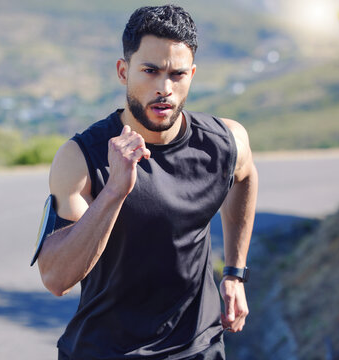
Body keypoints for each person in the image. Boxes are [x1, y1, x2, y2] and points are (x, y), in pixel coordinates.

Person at [35, 4, 258, 359]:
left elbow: (245, 177)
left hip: (197, 347)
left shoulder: (225, 142)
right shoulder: (82, 157)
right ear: (124, 71)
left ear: (192, 75)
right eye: (150, 71)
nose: (164, 88)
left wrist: (234, 272)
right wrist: (114, 191)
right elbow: (56, 278)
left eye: (177, 74)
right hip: (104, 350)